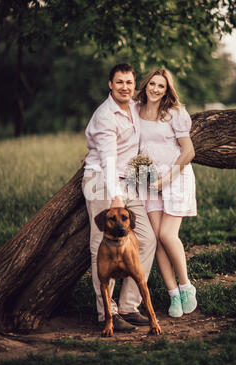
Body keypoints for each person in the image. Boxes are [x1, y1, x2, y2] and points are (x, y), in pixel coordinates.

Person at [82, 63, 157, 331]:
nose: (125, 87)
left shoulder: (134, 108)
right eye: (119, 82)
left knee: (147, 238)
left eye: (129, 82)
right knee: (100, 244)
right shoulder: (105, 116)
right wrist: (115, 196)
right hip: (102, 182)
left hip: (125, 183)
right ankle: (107, 313)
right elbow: (108, 160)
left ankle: (129, 305)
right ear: (110, 85)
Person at [135, 68, 197, 318]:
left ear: (167, 90)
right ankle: (172, 294)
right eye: (152, 84)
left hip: (176, 178)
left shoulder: (174, 114)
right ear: (146, 84)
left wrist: (166, 179)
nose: (155, 89)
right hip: (148, 180)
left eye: (161, 86)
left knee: (167, 234)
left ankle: (186, 286)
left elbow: (189, 151)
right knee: (157, 238)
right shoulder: (135, 111)